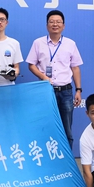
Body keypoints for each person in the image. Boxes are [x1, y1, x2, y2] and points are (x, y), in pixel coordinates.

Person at [26, 10, 83, 149]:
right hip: (46, 90)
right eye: (51, 22)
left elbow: (75, 68)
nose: (55, 24)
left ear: (63, 26)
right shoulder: (38, 43)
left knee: (66, 129)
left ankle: (67, 158)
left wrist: (78, 90)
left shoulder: (70, 44)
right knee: (45, 126)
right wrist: (43, 77)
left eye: (58, 22)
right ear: (47, 25)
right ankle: (48, 156)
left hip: (66, 91)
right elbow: (31, 65)